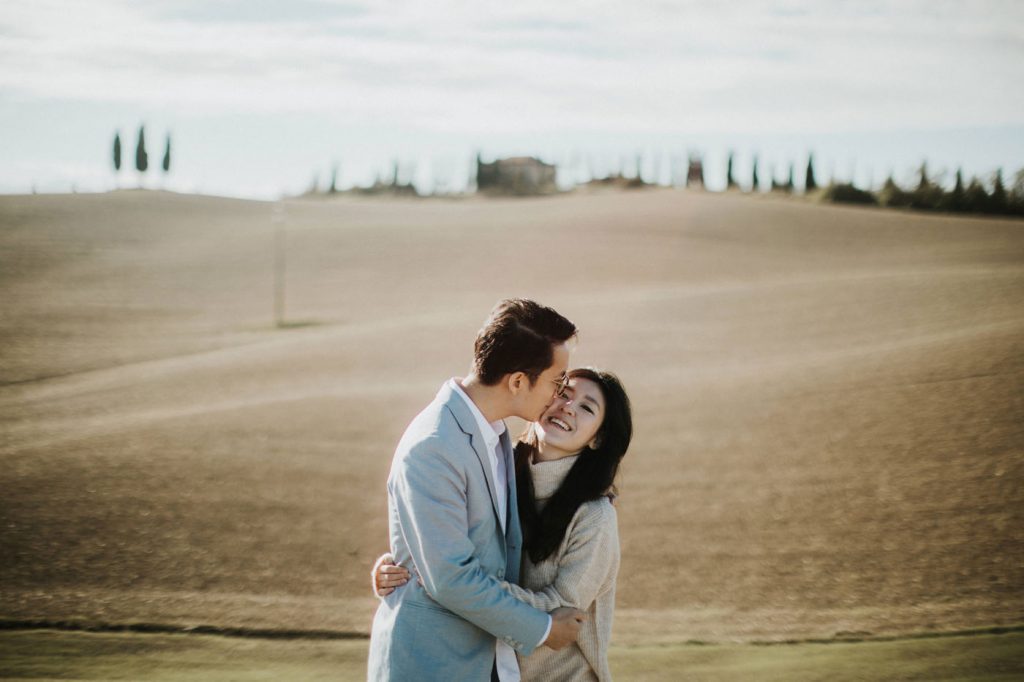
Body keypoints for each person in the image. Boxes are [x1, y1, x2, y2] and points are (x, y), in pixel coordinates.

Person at [367, 298, 587, 682]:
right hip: (432, 665)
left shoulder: (495, 431)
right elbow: (451, 578)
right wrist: (544, 628)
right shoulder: (434, 445)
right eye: (557, 381)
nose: (560, 393)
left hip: (486, 662)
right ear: (518, 381)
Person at [375, 367, 633, 681]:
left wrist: (453, 582)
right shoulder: (496, 471)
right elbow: (445, 542)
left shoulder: (595, 516)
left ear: (599, 439)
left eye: (586, 408)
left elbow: (561, 613)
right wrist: (408, 567)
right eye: (563, 394)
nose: (568, 407)